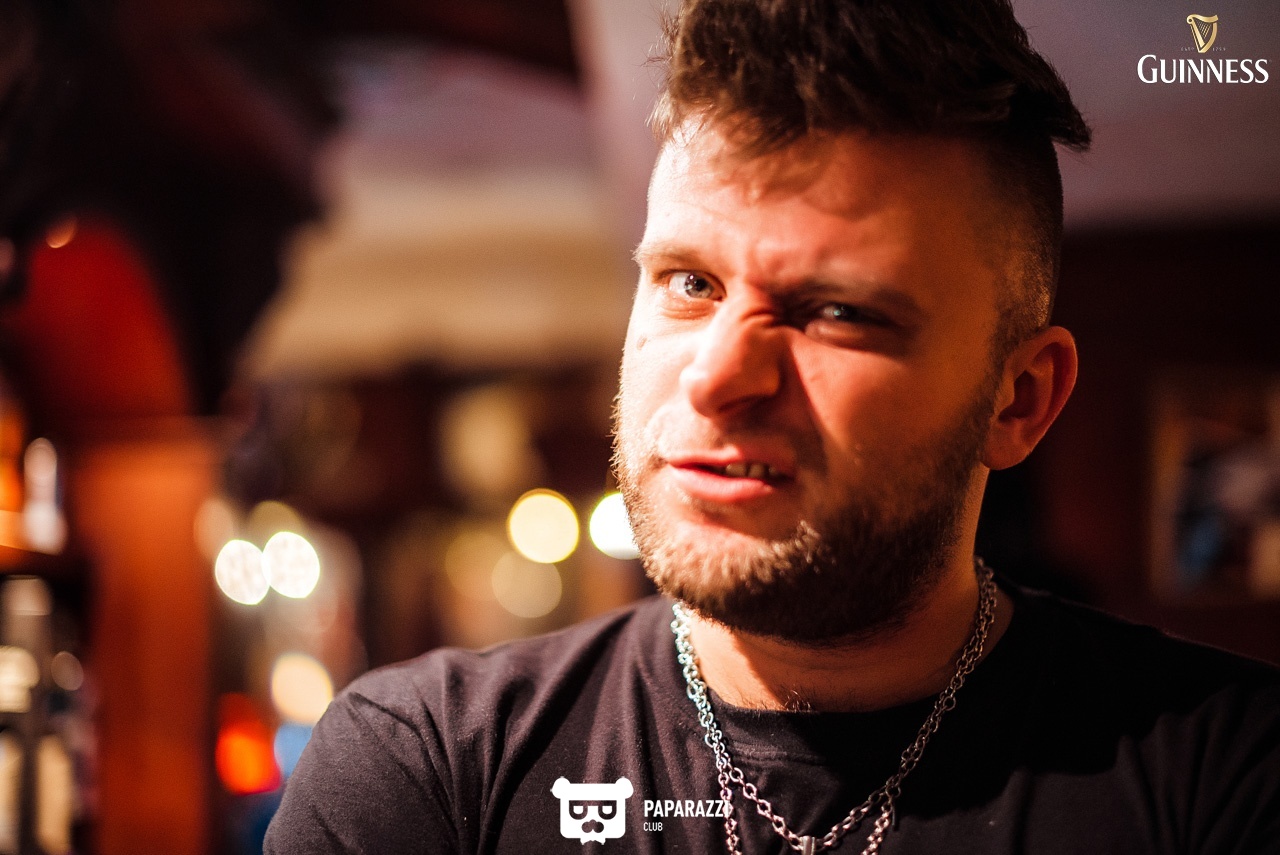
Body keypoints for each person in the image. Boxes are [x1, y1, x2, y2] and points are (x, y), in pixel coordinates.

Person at [265, 1, 1280, 852]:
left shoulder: (1223, 773)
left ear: (1017, 401)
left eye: (836, 311)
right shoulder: (431, 769)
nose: (716, 376)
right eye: (688, 283)